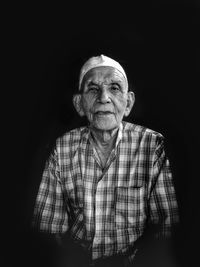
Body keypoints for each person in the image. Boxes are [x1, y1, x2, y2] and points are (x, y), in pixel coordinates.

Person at [32, 55, 179, 267]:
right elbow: (49, 228)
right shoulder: (62, 147)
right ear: (79, 104)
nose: (104, 97)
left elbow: (167, 228)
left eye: (115, 88)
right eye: (93, 89)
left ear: (128, 103)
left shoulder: (152, 146)